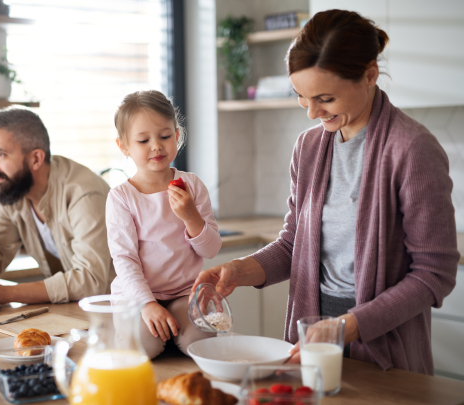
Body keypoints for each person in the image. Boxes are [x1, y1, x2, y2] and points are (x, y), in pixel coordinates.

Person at [193, 9, 459, 375]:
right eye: (302, 96)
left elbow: (434, 272)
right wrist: (239, 270)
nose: (312, 112)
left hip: (382, 346)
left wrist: (347, 327)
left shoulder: (412, 149)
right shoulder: (309, 147)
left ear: (369, 75)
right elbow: (292, 244)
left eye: (326, 99)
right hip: (310, 333)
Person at [107, 90, 222, 359]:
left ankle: (173, 331)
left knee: (201, 342)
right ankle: (152, 329)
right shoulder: (121, 197)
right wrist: (147, 304)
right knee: (144, 346)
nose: (156, 146)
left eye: (165, 136)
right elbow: (124, 259)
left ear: (177, 135)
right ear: (124, 145)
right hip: (137, 296)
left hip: (184, 292)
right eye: (143, 140)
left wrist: (191, 216)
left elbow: (211, 249)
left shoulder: (192, 185)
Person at [0, 107, 113, 305]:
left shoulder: (83, 194)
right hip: (73, 309)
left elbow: (91, 281)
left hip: (117, 312)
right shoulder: (14, 191)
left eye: (1, 154)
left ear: (36, 159)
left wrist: (7, 294)